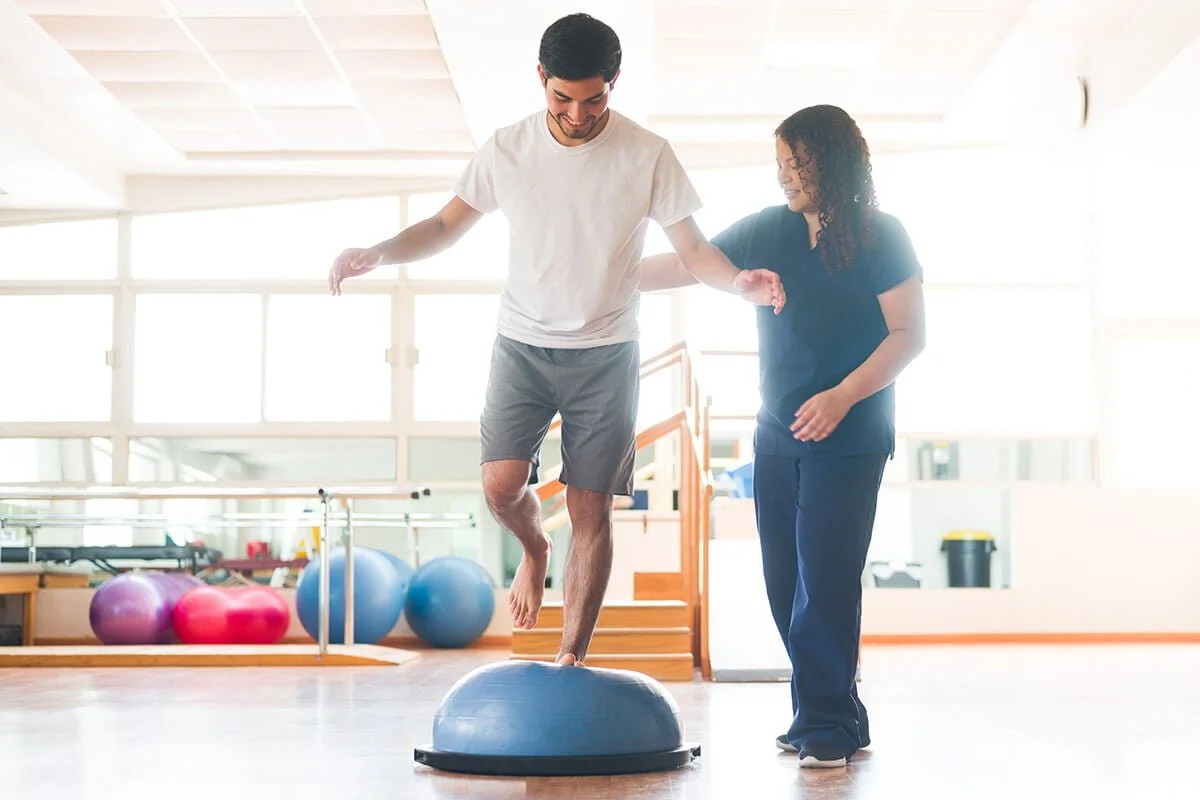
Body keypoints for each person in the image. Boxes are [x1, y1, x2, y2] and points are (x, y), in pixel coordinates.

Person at [328, 13, 785, 667]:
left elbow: (693, 249)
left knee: (591, 506)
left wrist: (737, 282)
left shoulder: (647, 154)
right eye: (562, 98)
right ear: (541, 77)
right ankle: (536, 547)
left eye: (593, 100)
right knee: (500, 486)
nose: (577, 115)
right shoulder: (507, 149)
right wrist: (379, 251)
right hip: (523, 344)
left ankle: (571, 658)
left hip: (607, 351)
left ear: (614, 83)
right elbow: (444, 225)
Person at [638, 104, 926, 768]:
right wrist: (598, 270)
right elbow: (688, 264)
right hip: (777, 434)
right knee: (784, 583)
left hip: (850, 435)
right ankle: (837, 713)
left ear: (835, 161)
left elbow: (909, 334)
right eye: (780, 163)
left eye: (798, 162)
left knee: (826, 581)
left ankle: (823, 723)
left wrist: (843, 395)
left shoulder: (882, 235)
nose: (785, 175)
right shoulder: (770, 228)